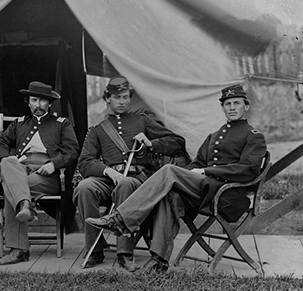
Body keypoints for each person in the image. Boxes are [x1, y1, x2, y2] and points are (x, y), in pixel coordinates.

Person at [86, 84, 267, 272]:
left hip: (226, 195)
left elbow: (249, 168)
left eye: (236, 103)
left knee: (169, 171)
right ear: (222, 108)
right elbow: (197, 165)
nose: (231, 107)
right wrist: (189, 173)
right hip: (204, 190)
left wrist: (206, 172)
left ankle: (120, 219)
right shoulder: (214, 136)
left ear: (246, 106)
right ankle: (159, 261)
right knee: (169, 195)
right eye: (227, 104)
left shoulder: (253, 136)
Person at [73, 76, 186, 270]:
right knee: (85, 187)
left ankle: (124, 252)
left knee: (125, 184)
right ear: (107, 98)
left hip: (137, 180)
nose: (122, 102)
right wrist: (107, 170)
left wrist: (151, 143)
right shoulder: (98, 130)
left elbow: (177, 142)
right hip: (109, 180)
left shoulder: (142, 121)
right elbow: (84, 163)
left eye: (125, 97)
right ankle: (95, 250)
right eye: (117, 97)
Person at [0, 81, 80, 265]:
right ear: (28, 102)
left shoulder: (61, 124)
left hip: (48, 174)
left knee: (11, 187)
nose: (38, 105)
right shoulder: (19, 124)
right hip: (21, 168)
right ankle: (25, 205)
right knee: (8, 163)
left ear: (49, 104)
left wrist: (54, 164)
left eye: (42, 101)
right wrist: (11, 161)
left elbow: (72, 149)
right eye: (34, 100)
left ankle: (19, 249)